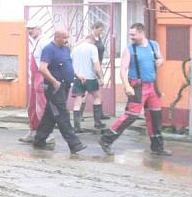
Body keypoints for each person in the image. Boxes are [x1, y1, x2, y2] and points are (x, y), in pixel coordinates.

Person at [100, 23, 172, 156]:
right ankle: (106, 139)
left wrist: (160, 61)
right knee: (131, 116)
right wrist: (127, 86)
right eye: (130, 34)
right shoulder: (129, 49)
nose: (130, 37)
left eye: (133, 34)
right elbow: (122, 70)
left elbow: (160, 58)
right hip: (137, 86)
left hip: (152, 85)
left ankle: (157, 148)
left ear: (141, 33)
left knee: (155, 116)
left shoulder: (153, 45)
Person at [33, 29, 87, 154]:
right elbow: (42, 68)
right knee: (62, 115)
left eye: (67, 37)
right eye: (64, 38)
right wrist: (53, 81)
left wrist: (77, 74)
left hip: (64, 86)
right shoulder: (49, 49)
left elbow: (68, 65)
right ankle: (74, 144)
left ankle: (39, 140)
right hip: (54, 88)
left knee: (50, 116)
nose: (66, 40)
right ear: (57, 37)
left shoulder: (65, 49)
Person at [19, 17, 54, 146]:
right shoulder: (35, 41)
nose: (29, 31)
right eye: (28, 29)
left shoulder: (44, 42)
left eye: (32, 29)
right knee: (32, 107)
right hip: (35, 77)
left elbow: (48, 61)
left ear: (39, 29)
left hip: (41, 76)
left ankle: (48, 135)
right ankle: (33, 132)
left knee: (42, 107)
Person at [71, 32, 104, 133]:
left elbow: (70, 63)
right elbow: (96, 65)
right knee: (97, 97)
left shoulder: (75, 49)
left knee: (77, 101)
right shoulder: (92, 48)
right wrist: (101, 77)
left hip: (77, 78)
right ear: (93, 40)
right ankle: (97, 123)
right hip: (90, 77)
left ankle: (77, 127)